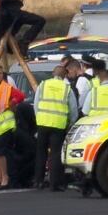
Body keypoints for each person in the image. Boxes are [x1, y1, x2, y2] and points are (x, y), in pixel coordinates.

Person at [33, 64, 78, 192]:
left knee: (40, 152)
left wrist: (39, 119)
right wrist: (70, 124)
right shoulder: (66, 88)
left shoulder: (43, 85)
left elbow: (36, 105)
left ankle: (38, 181)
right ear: (64, 75)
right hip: (58, 125)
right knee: (55, 154)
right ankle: (54, 183)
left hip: (42, 123)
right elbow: (73, 110)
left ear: (53, 73)